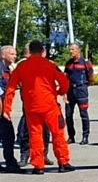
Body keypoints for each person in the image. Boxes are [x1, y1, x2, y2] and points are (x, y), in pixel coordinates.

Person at [2, 40, 74, 174]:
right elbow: (64, 82)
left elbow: (10, 88)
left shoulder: (21, 67)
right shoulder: (49, 65)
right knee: (57, 134)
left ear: (29, 51)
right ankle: (63, 162)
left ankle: (38, 165)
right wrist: (59, 92)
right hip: (50, 106)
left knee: (35, 136)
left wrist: (7, 108)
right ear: (42, 51)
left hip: (31, 107)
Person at [0, 46, 25, 173]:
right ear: (3, 55)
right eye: (12, 54)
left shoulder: (8, 69)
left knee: (6, 135)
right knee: (8, 135)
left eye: (15, 54)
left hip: (4, 105)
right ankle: (10, 164)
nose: (15, 56)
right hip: (0, 107)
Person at [64, 42, 94, 145]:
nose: (70, 51)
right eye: (70, 49)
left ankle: (85, 136)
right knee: (68, 115)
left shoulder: (85, 62)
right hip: (70, 91)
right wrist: (64, 93)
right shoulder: (69, 63)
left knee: (83, 114)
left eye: (72, 49)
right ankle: (71, 136)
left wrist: (85, 86)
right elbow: (66, 78)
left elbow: (91, 77)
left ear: (78, 50)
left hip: (81, 90)